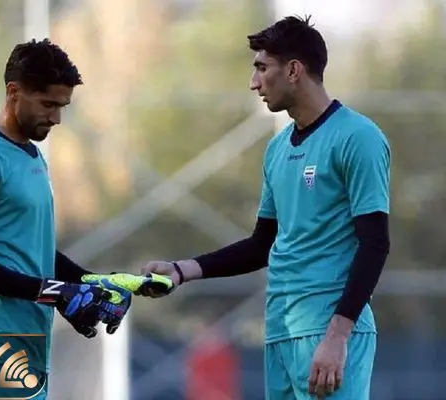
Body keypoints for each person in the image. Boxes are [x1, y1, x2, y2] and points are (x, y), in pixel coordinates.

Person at [139, 16, 390, 400]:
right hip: (280, 332)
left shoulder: (358, 137)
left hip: (328, 332)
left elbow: (375, 243)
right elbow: (261, 245)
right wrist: (180, 270)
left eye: (261, 68)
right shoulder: (277, 149)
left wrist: (338, 336)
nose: (253, 82)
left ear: (293, 70)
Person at [0, 39, 132, 399]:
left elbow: (33, 249)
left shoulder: (32, 156)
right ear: (13, 92)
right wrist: (58, 293)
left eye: (62, 107)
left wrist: (89, 285)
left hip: (29, 345)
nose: (56, 118)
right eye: (48, 104)